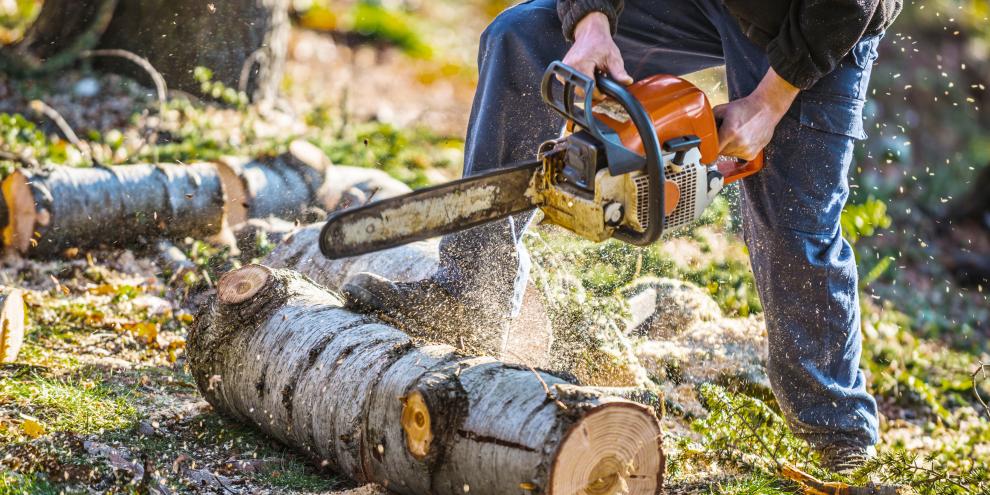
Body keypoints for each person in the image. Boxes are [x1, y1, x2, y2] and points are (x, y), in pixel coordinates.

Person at [343, 0, 901, 474]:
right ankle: (473, 294)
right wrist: (591, 22)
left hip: (815, 20)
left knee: (793, 226)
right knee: (521, 38)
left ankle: (839, 437)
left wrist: (768, 104)